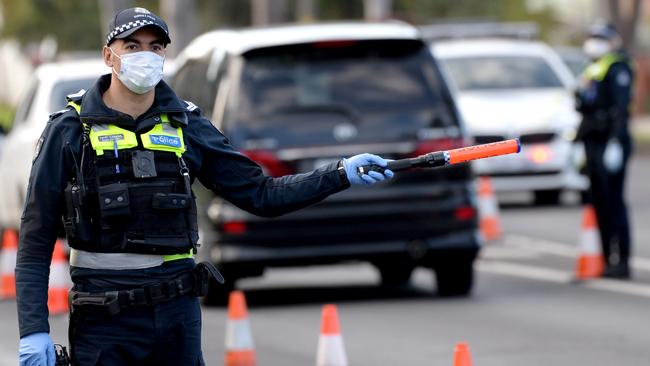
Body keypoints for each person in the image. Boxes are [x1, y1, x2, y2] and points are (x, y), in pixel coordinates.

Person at [16, 7, 394, 366]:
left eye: (155, 47)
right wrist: (33, 330)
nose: (144, 56)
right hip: (104, 318)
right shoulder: (69, 131)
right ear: (108, 56)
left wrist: (339, 173)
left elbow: (261, 194)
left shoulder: (187, 124)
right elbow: (34, 241)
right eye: (132, 46)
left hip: (176, 317)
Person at [575, 22, 634, 279]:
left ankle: (622, 260)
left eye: (600, 38)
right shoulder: (592, 68)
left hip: (611, 142)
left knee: (614, 201)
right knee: (597, 201)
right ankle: (604, 258)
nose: (594, 42)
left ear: (613, 41)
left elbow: (621, 110)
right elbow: (585, 107)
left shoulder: (618, 66)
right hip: (592, 142)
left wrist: (615, 142)